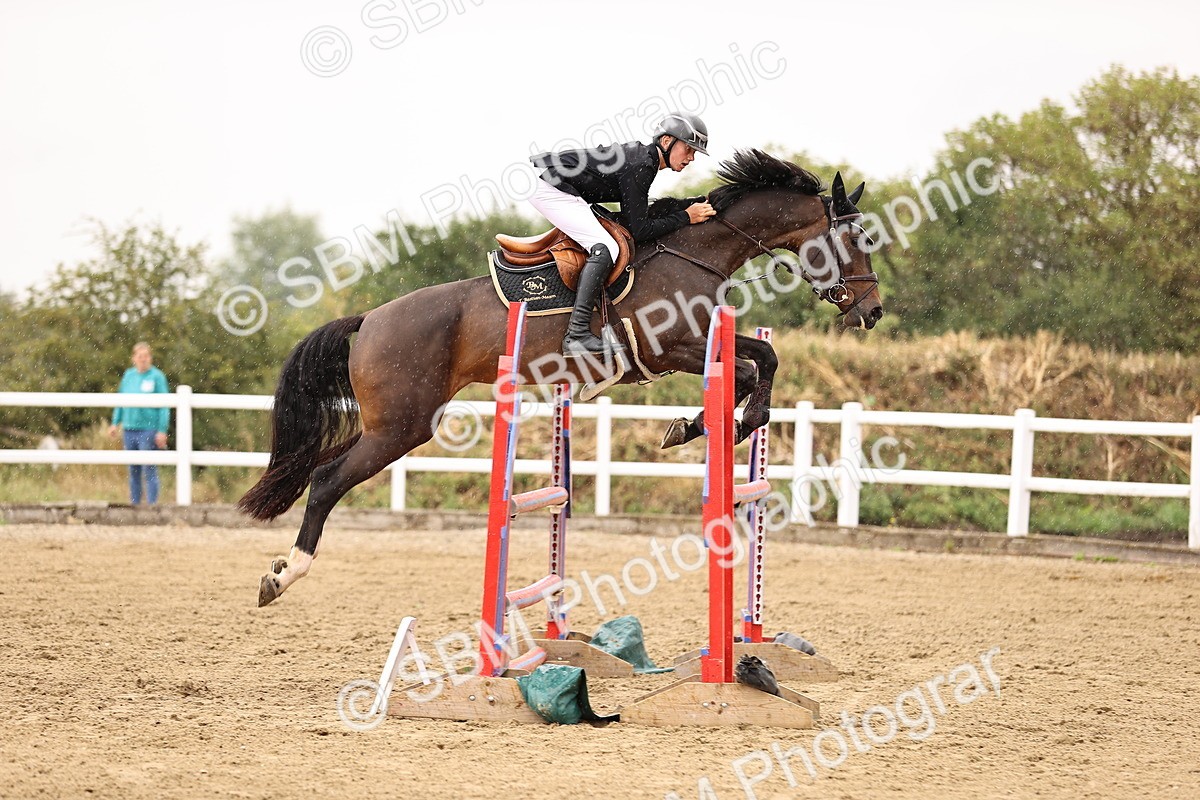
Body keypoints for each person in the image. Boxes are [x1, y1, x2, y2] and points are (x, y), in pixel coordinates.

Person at [529, 112, 716, 355]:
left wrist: (691, 204)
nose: (691, 158)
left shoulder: (644, 160)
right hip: (548, 185)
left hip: (557, 185)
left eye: (694, 153)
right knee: (606, 248)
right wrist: (686, 217)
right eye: (689, 149)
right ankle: (576, 334)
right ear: (667, 141)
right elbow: (639, 230)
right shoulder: (641, 165)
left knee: (608, 242)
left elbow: (639, 215)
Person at [108, 342, 170, 505]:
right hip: (129, 428)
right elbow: (120, 400)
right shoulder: (129, 376)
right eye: (140, 356)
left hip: (149, 429)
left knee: (149, 468)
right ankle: (135, 505)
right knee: (133, 470)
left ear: (150, 358)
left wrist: (162, 430)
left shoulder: (157, 377)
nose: (143, 359)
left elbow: (165, 404)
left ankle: (152, 505)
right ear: (134, 358)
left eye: (146, 356)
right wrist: (115, 422)